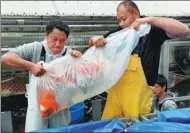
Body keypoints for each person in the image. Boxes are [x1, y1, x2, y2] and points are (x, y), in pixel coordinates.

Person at [88, 0, 189, 119]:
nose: (121, 23)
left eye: (123, 19)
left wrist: (149, 20)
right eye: (119, 20)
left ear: (135, 14)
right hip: (115, 95)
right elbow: (92, 43)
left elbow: (184, 30)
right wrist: (95, 39)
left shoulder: (152, 32)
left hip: (139, 97)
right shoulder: (118, 34)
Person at [1, 20, 83, 132]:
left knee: (61, 129)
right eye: (54, 39)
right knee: (36, 128)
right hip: (37, 101)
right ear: (46, 35)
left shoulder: (69, 53)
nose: (58, 44)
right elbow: (6, 57)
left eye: (62, 41)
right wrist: (31, 66)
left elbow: (82, 75)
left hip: (60, 102)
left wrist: (79, 58)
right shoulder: (36, 48)